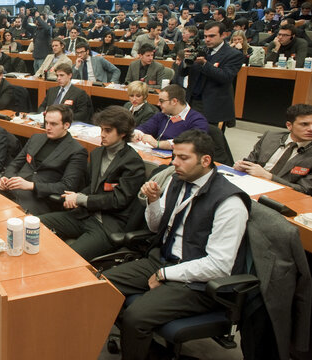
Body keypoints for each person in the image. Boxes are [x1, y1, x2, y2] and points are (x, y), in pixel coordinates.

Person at [103, 130, 250, 360]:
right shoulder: (177, 180)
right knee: (102, 288)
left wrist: (164, 274)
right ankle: (146, 348)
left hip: (197, 280)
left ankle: (137, 344)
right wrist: (152, 202)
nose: (174, 163)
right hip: (163, 258)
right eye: (174, 156)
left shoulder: (229, 202)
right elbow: (155, 227)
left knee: (136, 317)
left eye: (183, 157)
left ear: (205, 160)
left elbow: (219, 266)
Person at [39, 106, 146, 259]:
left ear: (122, 133)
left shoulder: (133, 163)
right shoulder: (97, 153)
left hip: (108, 224)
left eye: (108, 131)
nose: (102, 135)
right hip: (86, 215)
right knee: (36, 224)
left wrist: (82, 199)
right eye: (101, 129)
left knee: (69, 257)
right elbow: (95, 187)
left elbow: (118, 200)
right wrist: (79, 195)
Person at [0, 104, 88, 215]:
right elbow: (15, 164)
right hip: (14, 188)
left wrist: (32, 186)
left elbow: (67, 186)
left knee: (12, 218)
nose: (48, 127)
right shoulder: (36, 138)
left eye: (53, 124)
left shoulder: (77, 151)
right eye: (46, 123)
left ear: (66, 125)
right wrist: (7, 177)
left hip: (41, 198)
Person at [234, 103, 312, 195]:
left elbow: (304, 190)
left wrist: (269, 177)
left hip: (283, 197)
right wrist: (243, 167)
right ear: (289, 125)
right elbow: (251, 161)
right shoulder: (270, 137)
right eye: (304, 124)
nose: (311, 129)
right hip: (252, 187)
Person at [177, 21, 244, 124]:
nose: (207, 39)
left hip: (213, 106)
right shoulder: (200, 50)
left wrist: (204, 64)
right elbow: (181, 73)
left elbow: (225, 77)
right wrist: (185, 61)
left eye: (212, 36)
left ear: (223, 35)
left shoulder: (233, 54)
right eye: (205, 36)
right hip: (192, 101)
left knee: (210, 138)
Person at [132, 84, 209, 149]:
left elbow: (193, 143)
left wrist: (158, 144)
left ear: (174, 101)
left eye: (161, 101)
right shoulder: (161, 115)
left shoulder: (197, 120)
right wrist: (137, 133)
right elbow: (144, 128)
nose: (158, 104)